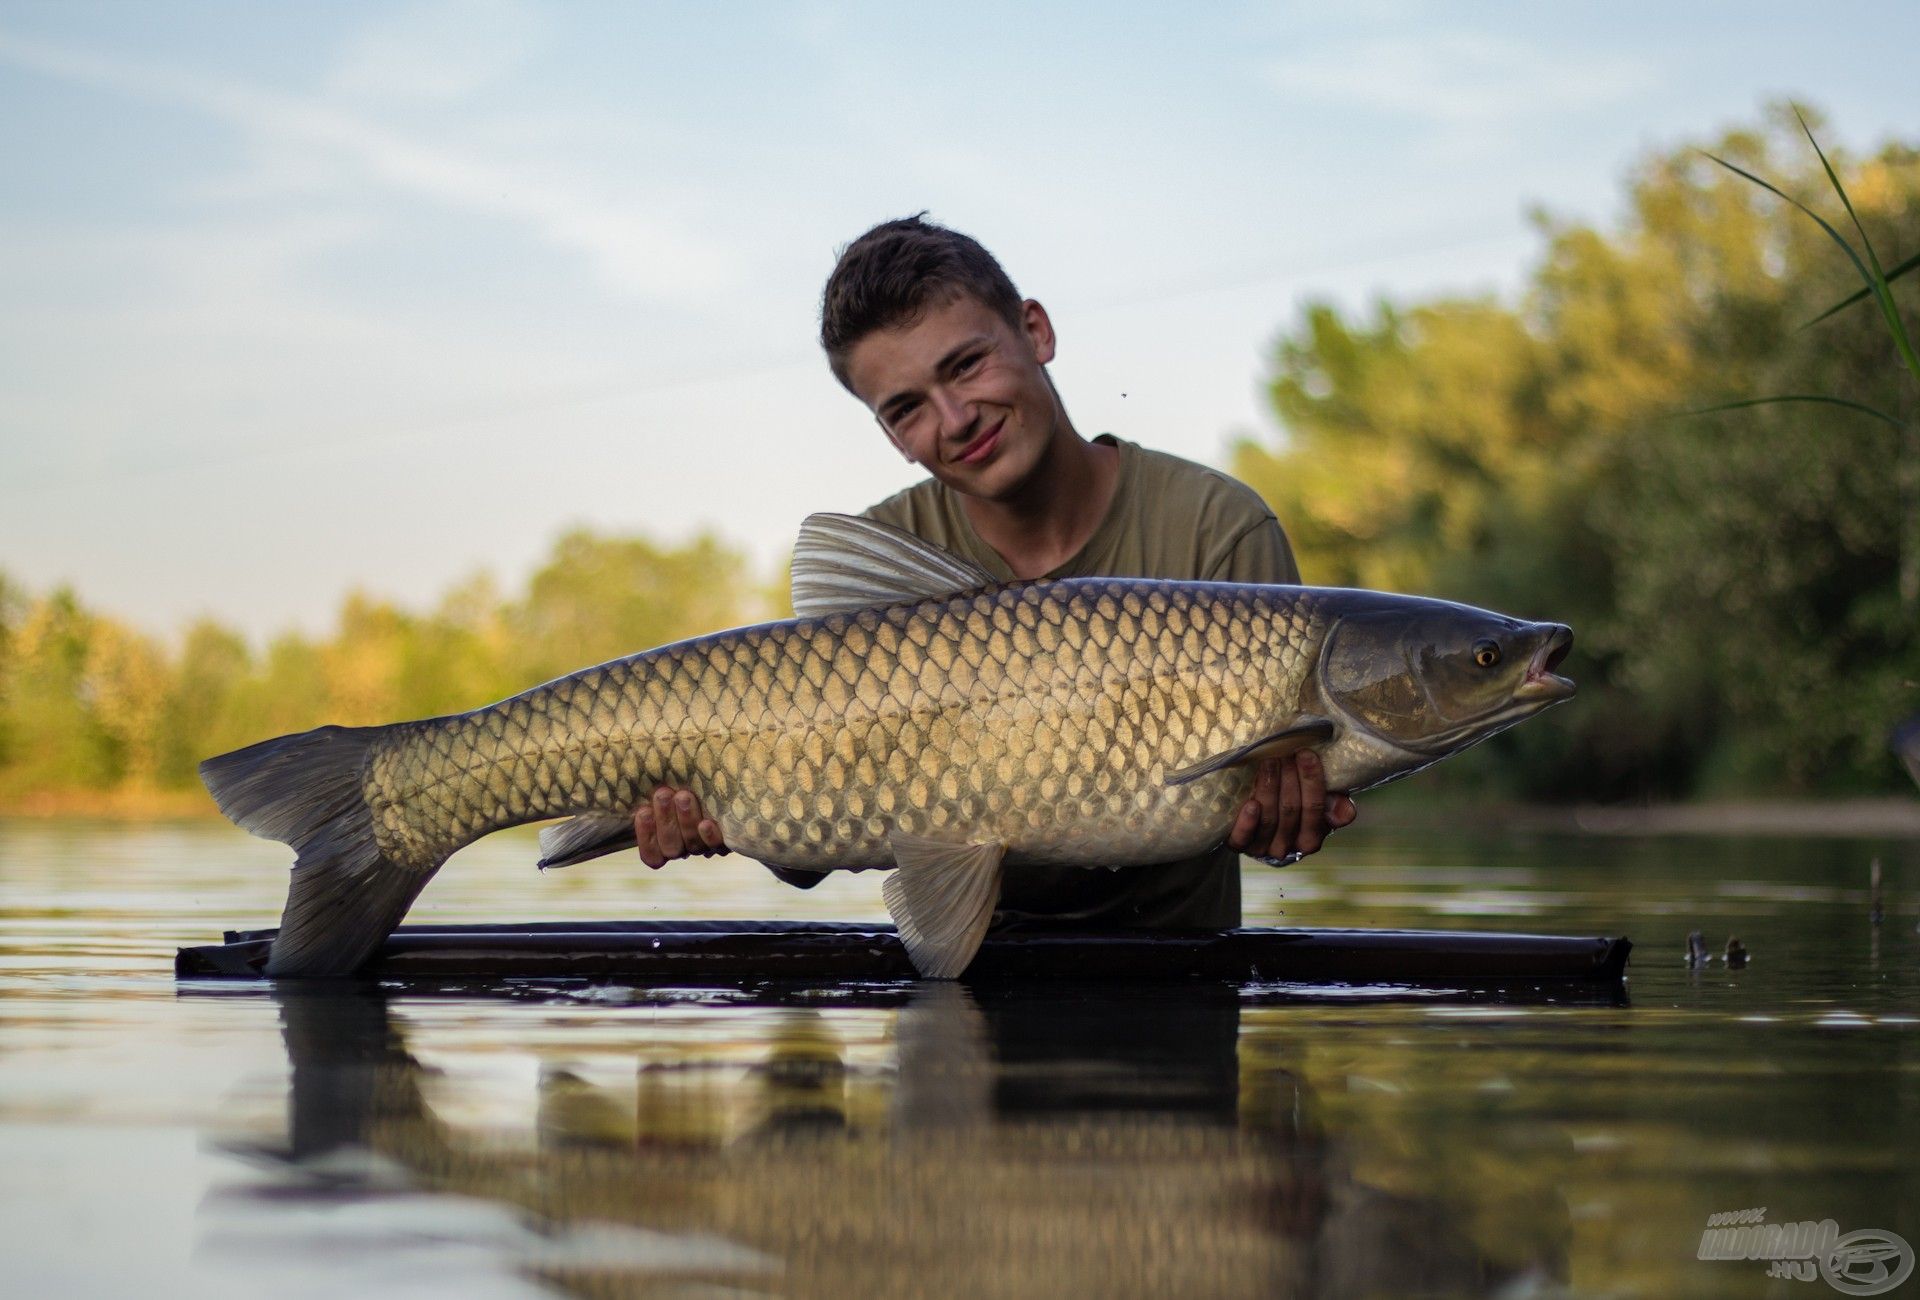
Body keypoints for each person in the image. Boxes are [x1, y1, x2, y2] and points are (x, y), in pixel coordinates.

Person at [631, 216, 1355, 926]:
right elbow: (810, 843)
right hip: (957, 995)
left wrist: (1286, 832)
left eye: (966, 366)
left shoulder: (1218, 531)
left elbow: (1283, 814)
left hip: (1178, 992)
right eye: (908, 408)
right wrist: (716, 819)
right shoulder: (888, 546)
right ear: (890, 435)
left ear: (1035, 331)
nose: (955, 419)